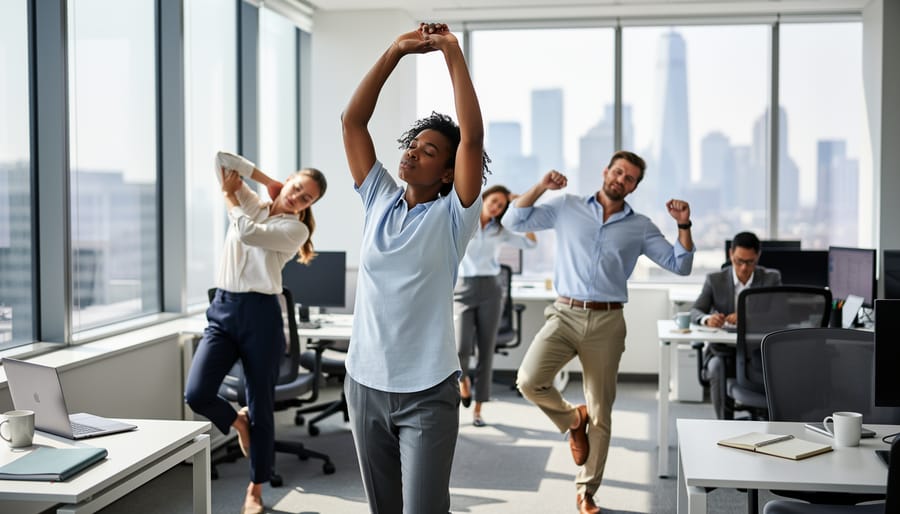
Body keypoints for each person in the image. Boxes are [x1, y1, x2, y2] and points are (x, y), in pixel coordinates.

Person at [340, 22, 488, 514]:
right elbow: (352, 122)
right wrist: (396, 52)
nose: (412, 152)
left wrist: (451, 53)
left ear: (447, 172)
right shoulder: (378, 197)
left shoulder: (453, 217)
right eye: (413, 144)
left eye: (429, 151)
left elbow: (471, 140)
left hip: (426, 390)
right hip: (364, 382)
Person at [505, 152, 694, 514]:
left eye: (630, 178)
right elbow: (514, 219)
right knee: (529, 380)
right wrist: (542, 186)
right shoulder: (566, 206)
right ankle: (572, 420)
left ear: (635, 186)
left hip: (607, 322)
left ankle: (586, 491)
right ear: (605, 171)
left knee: (602, 412)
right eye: (618, 171)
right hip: (563, 313)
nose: (621, 180)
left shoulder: (639, 226)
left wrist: (684, 226)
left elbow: (680, 265)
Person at [184, 151, 326, 514]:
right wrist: (264, 181)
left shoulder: (296, 229)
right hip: (223, 310)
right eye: (296, 187)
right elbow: (219, 159)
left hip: (261, 317)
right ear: (289, 180)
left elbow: (247, 234)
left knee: (261, 405)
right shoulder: (256, 203)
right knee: (197, 393)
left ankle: (256, 490)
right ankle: (237, 421)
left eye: (306, 197)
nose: (297, 197)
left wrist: (231, 197)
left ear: (310, 206)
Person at [456, 185, 536, 427]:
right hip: (462, 289)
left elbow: (530, 244)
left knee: (486, 351)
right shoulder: (463, 220)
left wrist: (521, 205)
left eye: (501, 205)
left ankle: (478, 410)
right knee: (460, 349)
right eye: (494, 201)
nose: (496, 207)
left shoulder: (500, 231)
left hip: (491, 290)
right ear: (484, 198)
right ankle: (463, 383)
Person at [689, 231, 782, 419]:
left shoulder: (771, 278)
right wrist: (707, 319)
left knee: (780, 368)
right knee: (716, 367)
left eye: (750, 262)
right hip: (723, 354)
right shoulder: (715, 280)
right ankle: (723, 426)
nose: (743, 268)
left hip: (758, 354)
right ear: (731, 255)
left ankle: (769, 423)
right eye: (739, 261)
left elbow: (779, 314)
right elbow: (695, 311)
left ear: (758, 257)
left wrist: (747, 318)